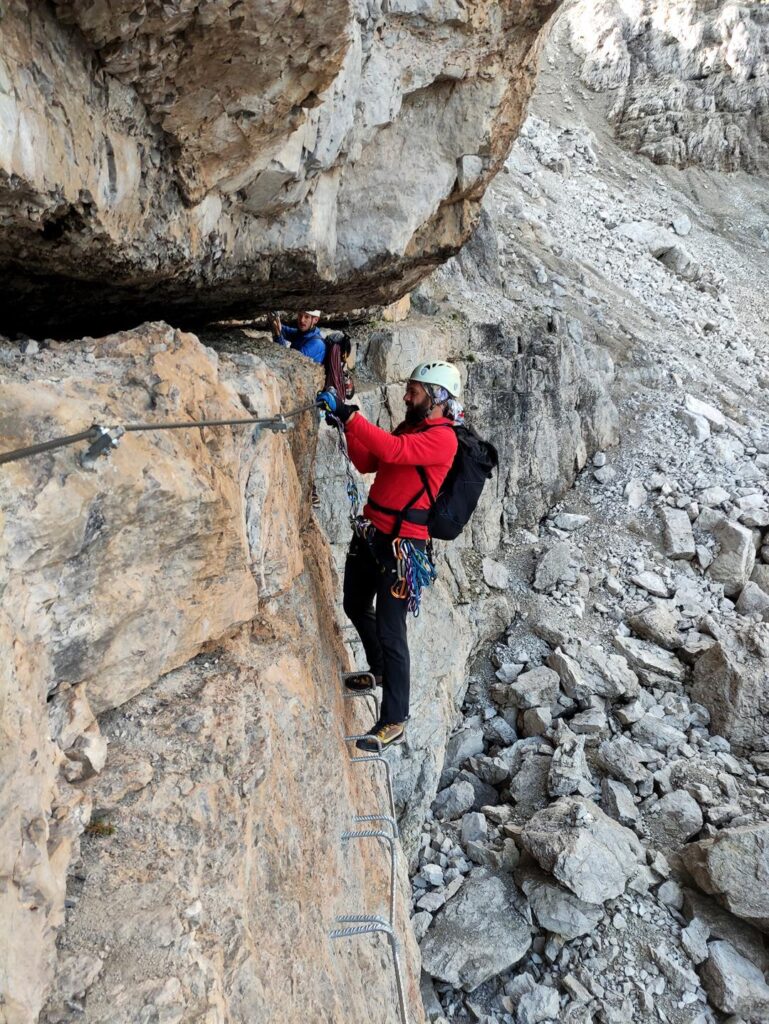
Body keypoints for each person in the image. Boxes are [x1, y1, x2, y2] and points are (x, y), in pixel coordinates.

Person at [318, 361, 463, 751]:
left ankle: (394, 718)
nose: (406, 395)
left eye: (414, 391)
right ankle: (378, 671)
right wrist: (343, 425)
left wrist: (352, 416)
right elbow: (371, 461)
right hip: (372, 533)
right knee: (353, 603)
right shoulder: (411, 428)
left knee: (391, 631)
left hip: (403, 546)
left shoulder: (443, 438)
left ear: (438, 397)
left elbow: (394, 451)